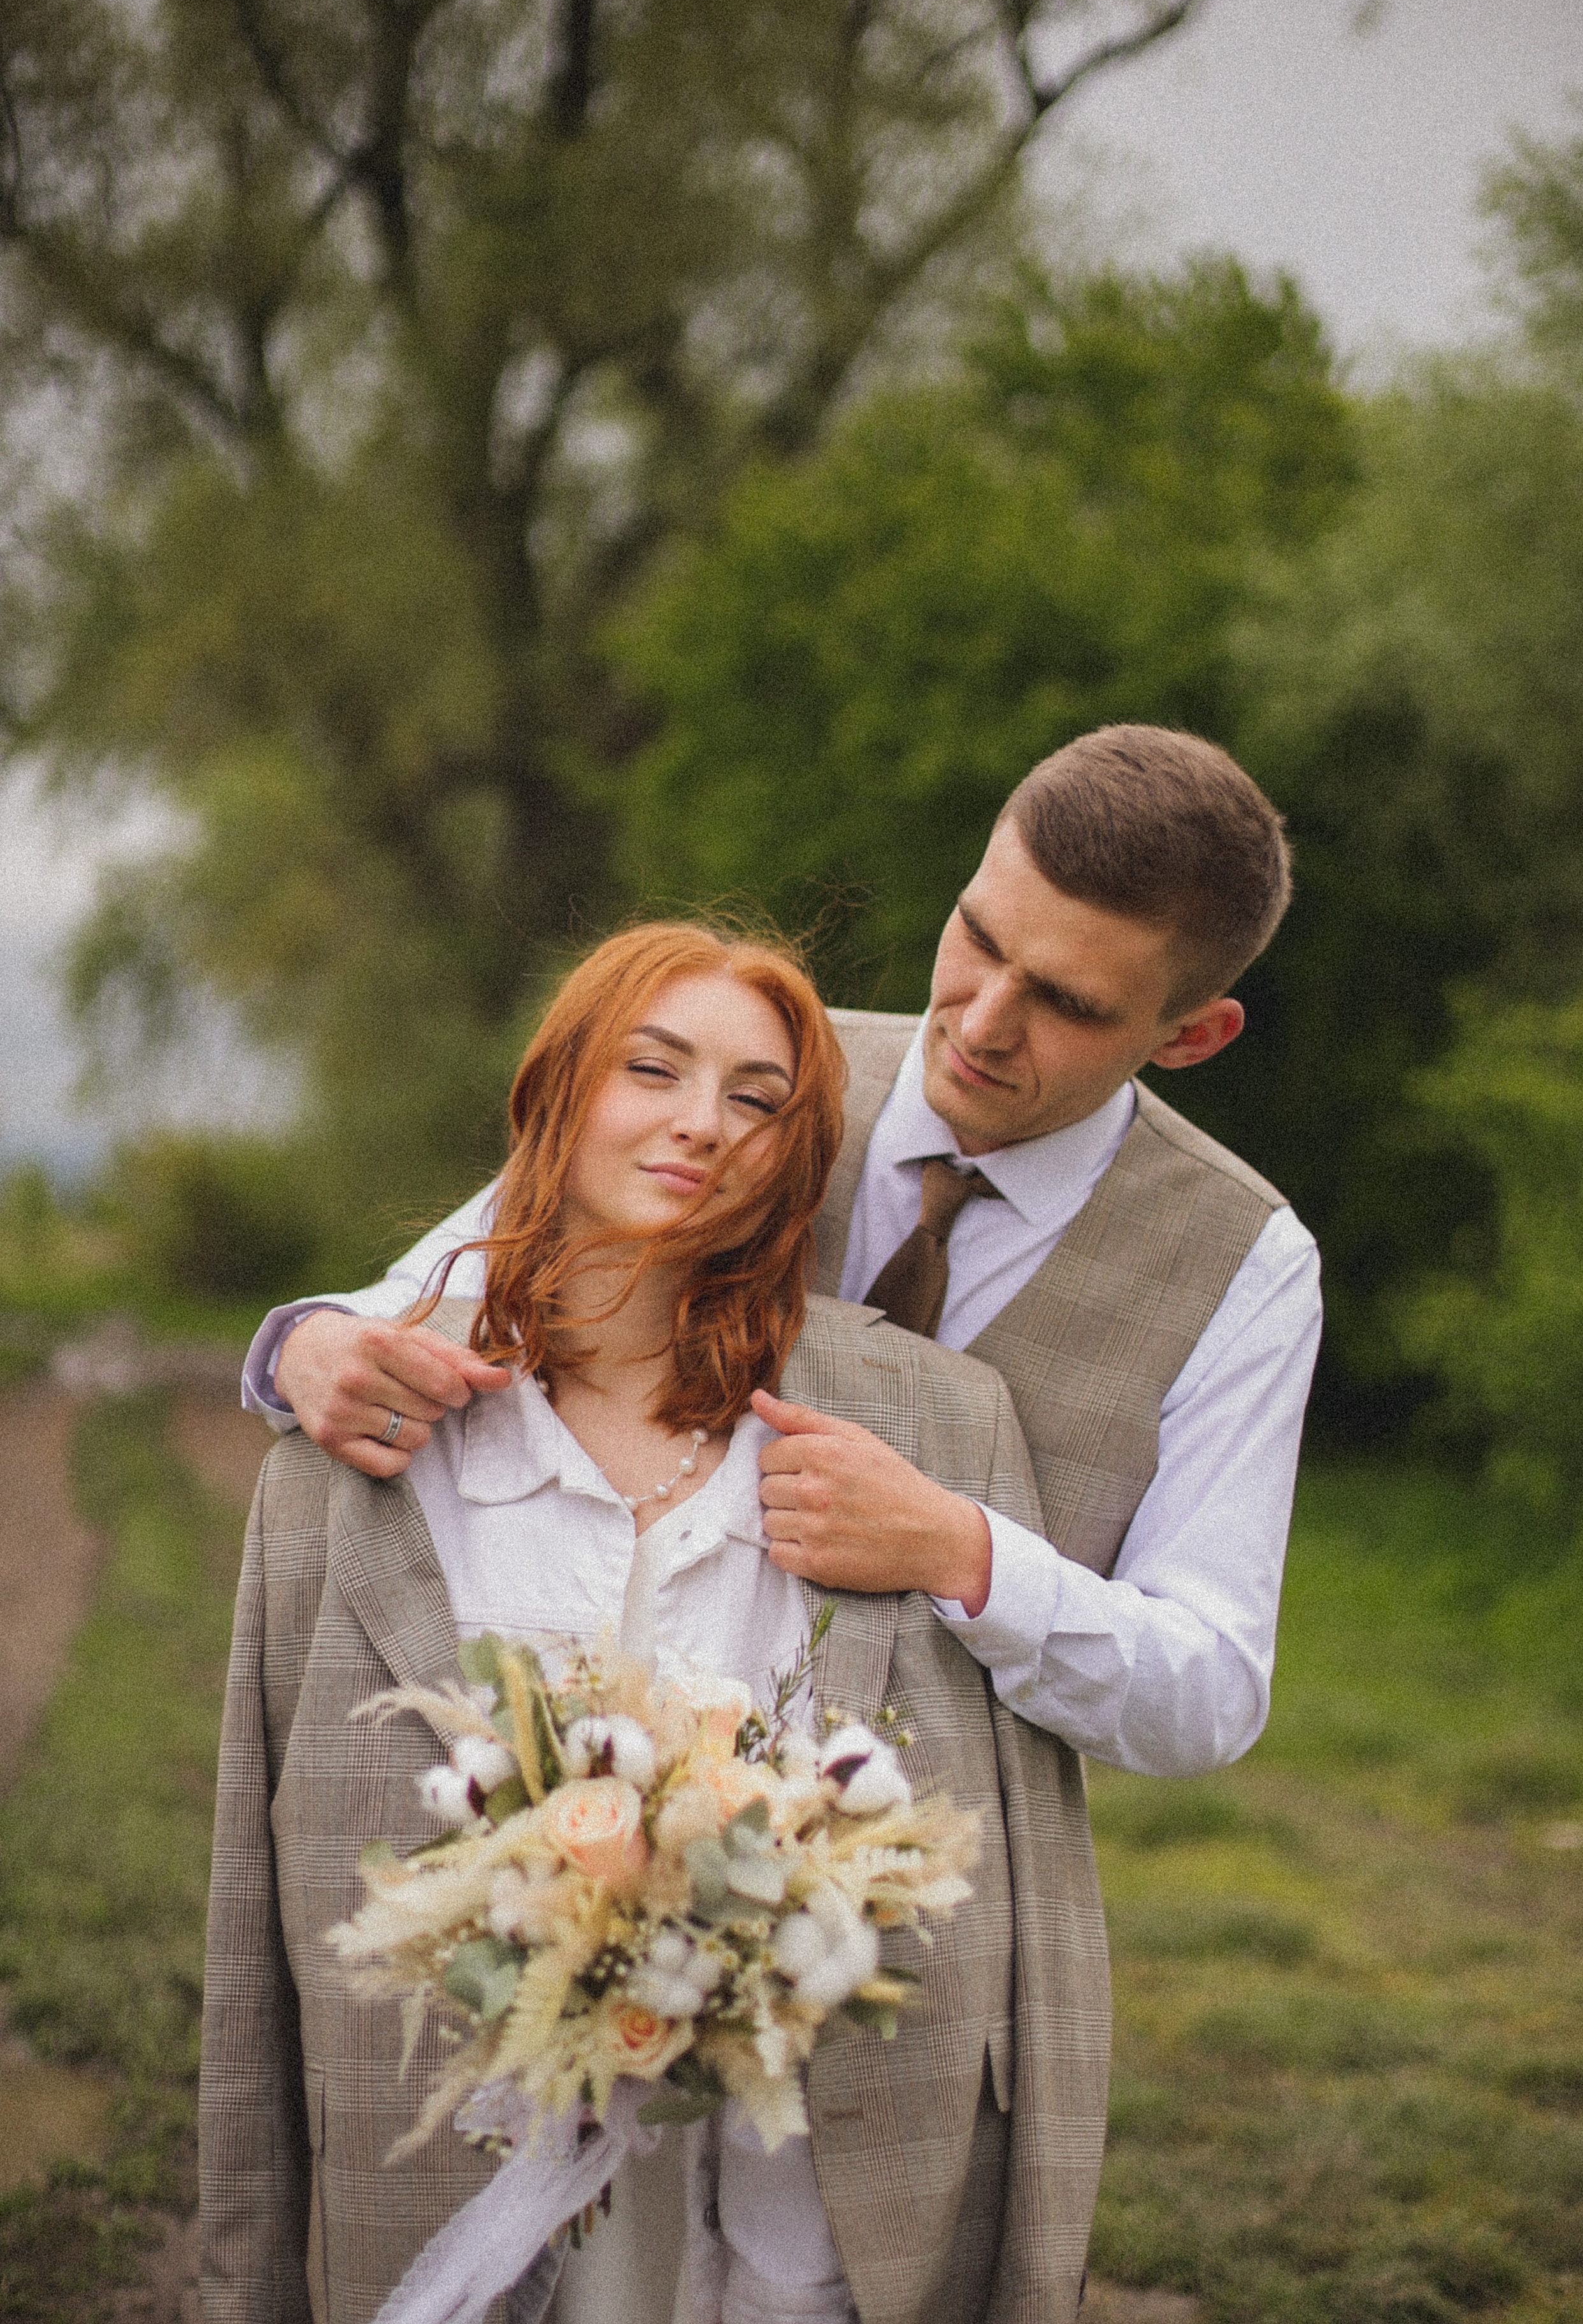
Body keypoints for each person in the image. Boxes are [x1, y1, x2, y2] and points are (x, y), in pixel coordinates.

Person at [201, 923, 1103, 2324]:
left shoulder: (929, 1431)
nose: (701, 1123)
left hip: (756, 2215)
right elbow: (258, 1905)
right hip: (439, 2200)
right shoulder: (363, 1446)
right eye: (653, 1068)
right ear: (557, 1092)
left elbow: (960, 1894)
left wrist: (790, 2278)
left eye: (756, 1100)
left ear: (794, 1159)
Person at [245, 727, 1322, 1785]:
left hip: (941, 1868)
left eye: (1069, 1004)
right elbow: (463, 1281)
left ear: (1192, 1037)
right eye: (981, 941)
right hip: (590, 1788)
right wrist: (306, 1344)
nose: (984, 1024)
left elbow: (1212, 1692)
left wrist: (963, 1553)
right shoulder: (757, 1072)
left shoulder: (1248, 1263)